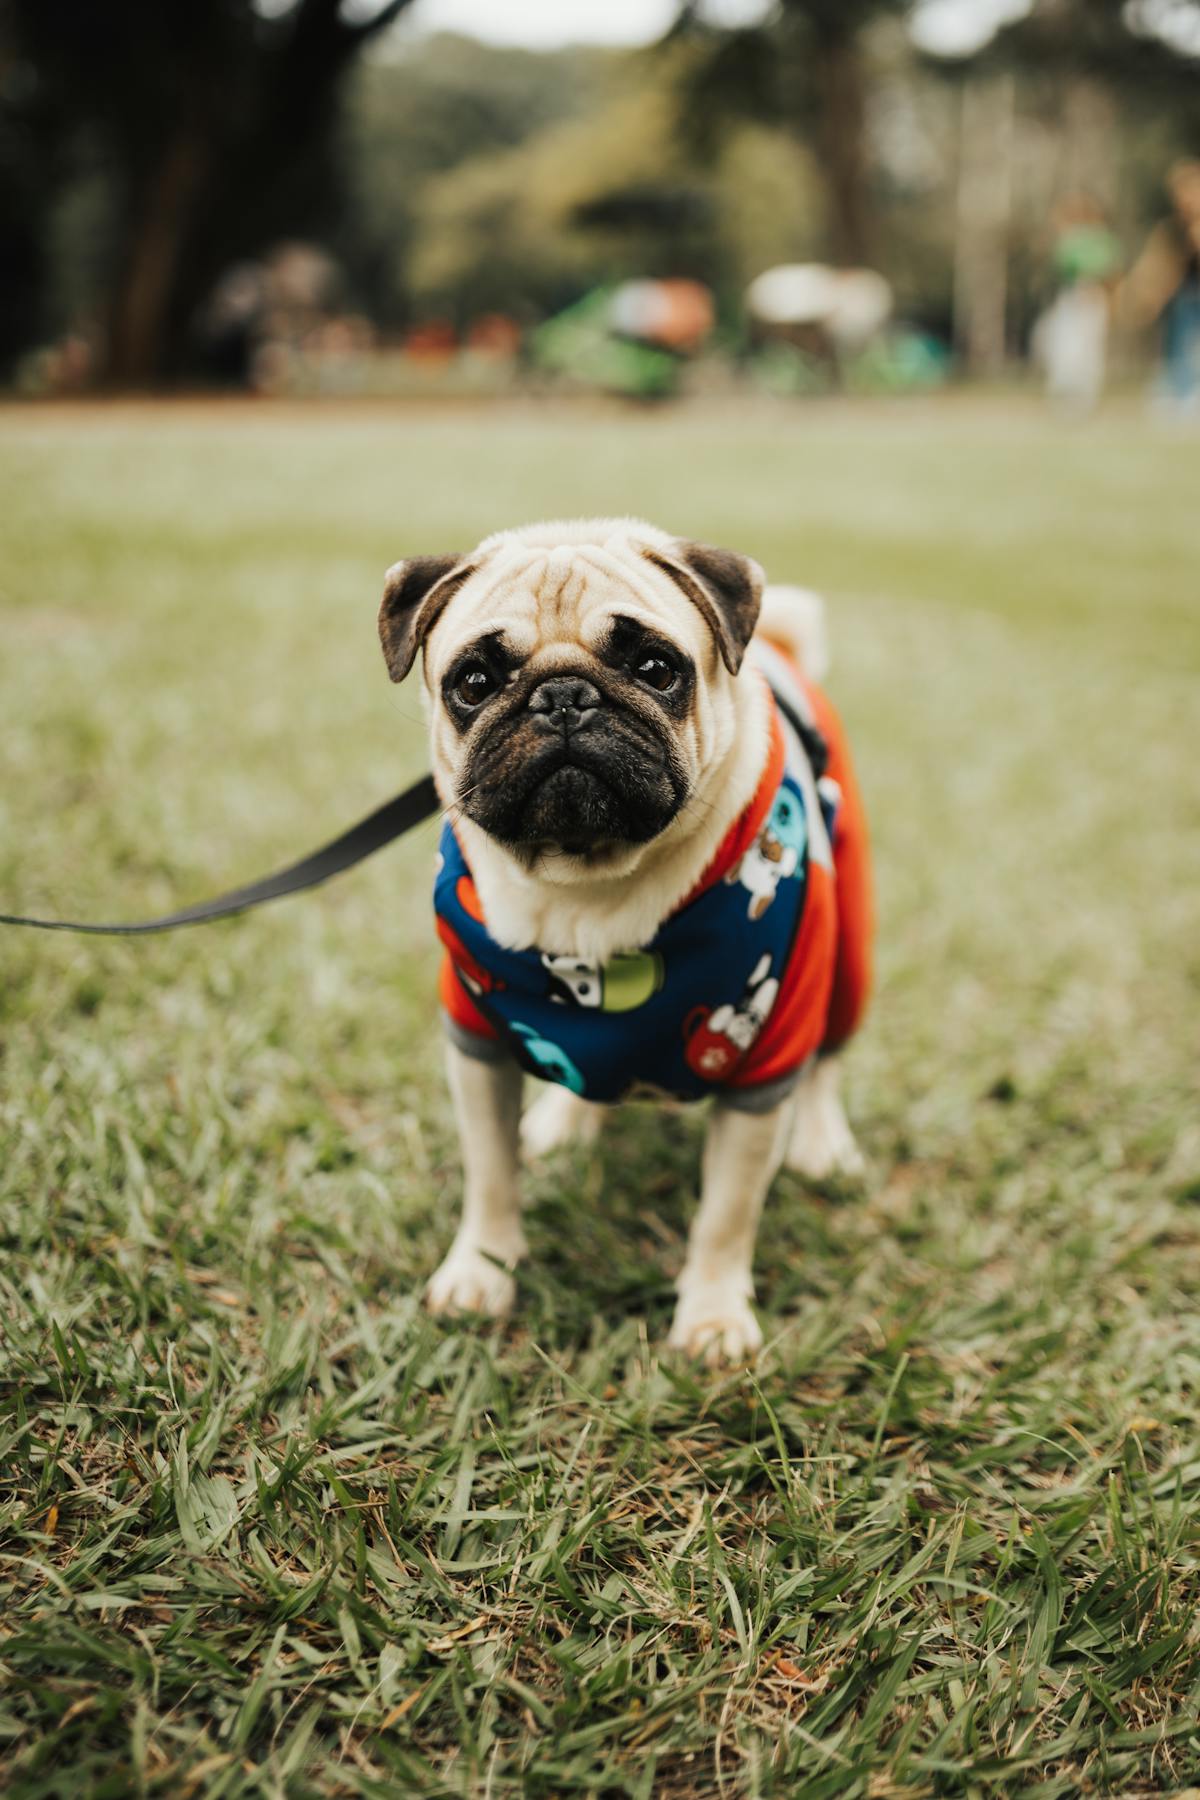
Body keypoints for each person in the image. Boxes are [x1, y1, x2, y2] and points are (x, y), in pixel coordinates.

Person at [1121, 159, 1200, 415]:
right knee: (1180, 340)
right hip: (1185, 301)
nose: (1184, 199)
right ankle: (1180, 392)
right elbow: (1157, 265)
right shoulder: (1172, 229)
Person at [1032, 194, 1121, 412]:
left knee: (1085, 349)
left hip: (1089, 297)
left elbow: (1109, 274)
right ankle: (1065, 395)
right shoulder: (1071, 240)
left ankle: (1081, 400)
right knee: (1061, 345)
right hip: (1072, 297)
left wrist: (1109, 303)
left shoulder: (1096, 240)